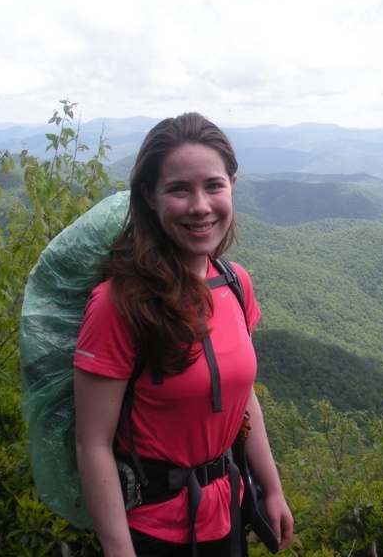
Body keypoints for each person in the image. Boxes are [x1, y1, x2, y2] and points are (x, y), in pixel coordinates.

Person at [73, 113, 293, 557]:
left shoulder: (235, 284)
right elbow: (92, 442)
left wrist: (270, 487)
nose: (200, 205)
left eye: (213, 185)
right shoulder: (119, 304)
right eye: (178, 188)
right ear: (149, 198)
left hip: (227, 512)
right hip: (150, 531)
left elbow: (242, 396)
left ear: (232, 184)